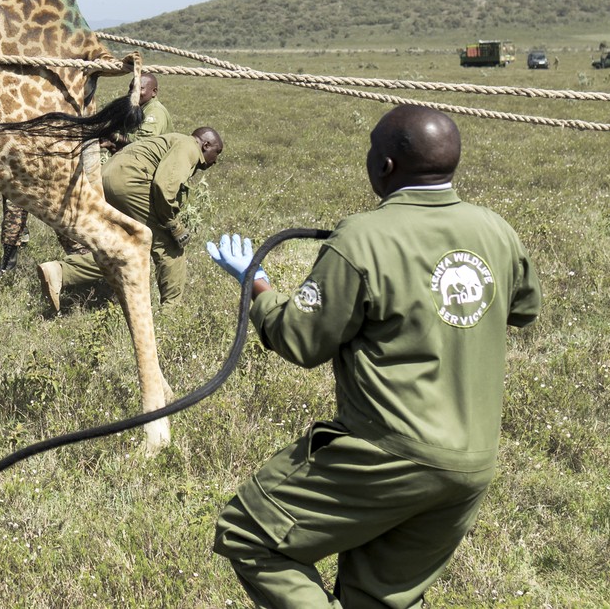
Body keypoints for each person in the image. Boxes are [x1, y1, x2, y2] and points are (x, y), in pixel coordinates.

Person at [205, 104, 541, 608]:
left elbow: (300, 340)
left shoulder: (361, 239)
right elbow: (521, 310)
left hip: (389, 453)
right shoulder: (497, 230)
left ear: (385, 167)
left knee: (250, 533)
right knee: (374, 598)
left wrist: (256, 284)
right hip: (471, 463)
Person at [37, 127, 223, 314]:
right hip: (129, 184)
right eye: (217, 152)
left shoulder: (174, 139)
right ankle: (170, 314)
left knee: (126, 249)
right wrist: (173, 225)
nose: (216, 161)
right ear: (205, 145)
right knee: (169, 246)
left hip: (106, 181)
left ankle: (60, 272)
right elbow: (164, 186)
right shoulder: (189, 146)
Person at [100, 74, 172, 156]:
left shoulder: (155, 112)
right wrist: (111, 144)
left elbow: (144, 140)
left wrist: (115, 136)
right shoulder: (136, 108)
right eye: (131, 88)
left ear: (154, 92)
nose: (132, 92)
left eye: (139, 89)